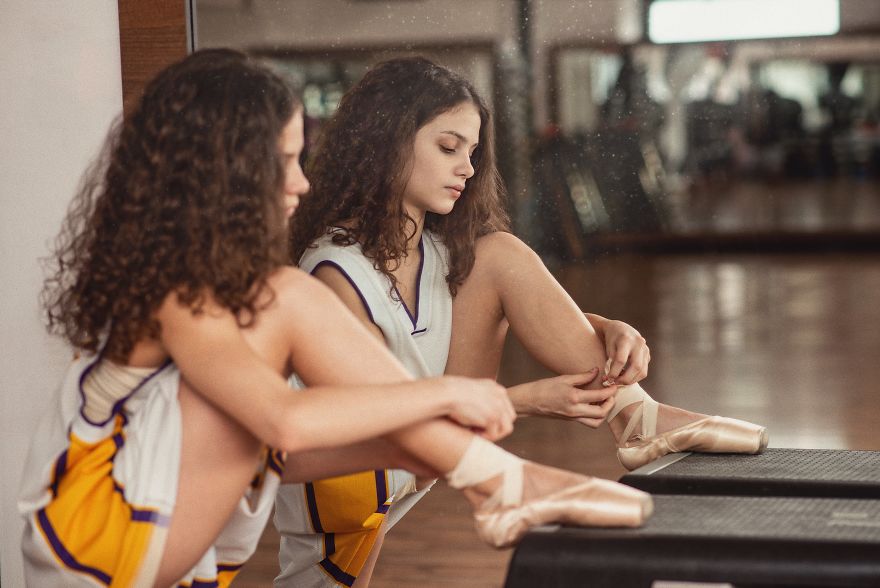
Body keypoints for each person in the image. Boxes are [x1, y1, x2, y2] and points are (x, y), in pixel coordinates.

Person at [18, 49, 652, 587]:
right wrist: (448, 394)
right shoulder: (178, 291)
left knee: (409, 435)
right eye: (284, 162)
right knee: (287, 297)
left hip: (134, 535)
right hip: (100, 529)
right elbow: (283, 423)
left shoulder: (197, 287)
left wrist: (436, 449)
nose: (298, 184)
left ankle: (502, 480)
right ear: (226, 170)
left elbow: (277, 456)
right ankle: (508, 482)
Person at [283, 56, 768, 586]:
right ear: (386, 142)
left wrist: (600, 327)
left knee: (501, 254)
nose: (466, 169)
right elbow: (389, 429)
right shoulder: (333, 272)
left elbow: (470, 315)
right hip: (349, 478)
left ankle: (637, 417)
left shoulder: (443, 253)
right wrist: (528, 401)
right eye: (448, 148)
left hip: (415, 460)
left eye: (471, 152)